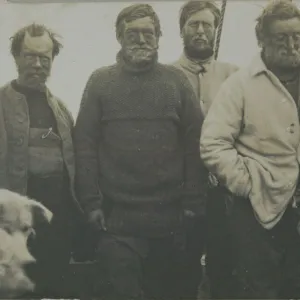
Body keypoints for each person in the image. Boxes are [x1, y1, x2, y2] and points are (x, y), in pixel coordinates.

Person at [74, 3, 207, 300]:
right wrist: (91, 203)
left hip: (170, 221)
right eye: (132, 34)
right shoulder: (100, 82)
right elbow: (84, 146)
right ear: (119, 38)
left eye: (149, 33)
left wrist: (192, 202)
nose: (141, 40)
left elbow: (195, 144)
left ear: (159, 38)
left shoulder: (176, 82)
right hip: (118, 222)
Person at [200, 0, 300, 298]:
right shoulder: (239, 85)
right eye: (281, 38)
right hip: (258, 209)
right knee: (262, 287)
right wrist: (247, 183)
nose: (291, 45)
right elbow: (213, 144)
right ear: (262, 40)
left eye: (297, 36)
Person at [0, 23, 83, 297]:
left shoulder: (61, 109)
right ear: (15, 57)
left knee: (53, 289)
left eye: (44, 59)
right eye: (29, 56)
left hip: (56, 226)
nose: (37, 64)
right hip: (11, 230)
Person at [173, 1, 238, 298]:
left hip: (224, 192)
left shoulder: (235, 76)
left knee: (224, 268)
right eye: (193, 24)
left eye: (207, 25)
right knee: (182, 269)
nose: (200, 31)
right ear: (182, 30)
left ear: (215, 30)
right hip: (179, 191)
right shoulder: (166, 76)